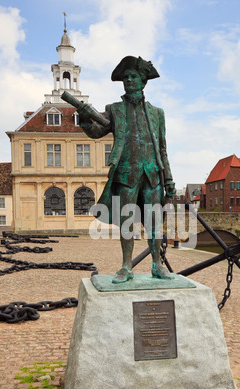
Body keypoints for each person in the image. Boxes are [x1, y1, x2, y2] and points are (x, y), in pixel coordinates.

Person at [78, 56, 176, 283]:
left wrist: (169, 180)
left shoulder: (157, 113)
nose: (129, 80)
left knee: (154, 223)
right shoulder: (114, 110)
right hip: (126, 174)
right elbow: (96, 131)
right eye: (126, 77)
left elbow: (162, 149)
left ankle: (157, 265)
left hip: (152, 175)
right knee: (127, 222)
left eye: (133, 77)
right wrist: (83, 118)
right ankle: (126, 266)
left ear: (143, 81)